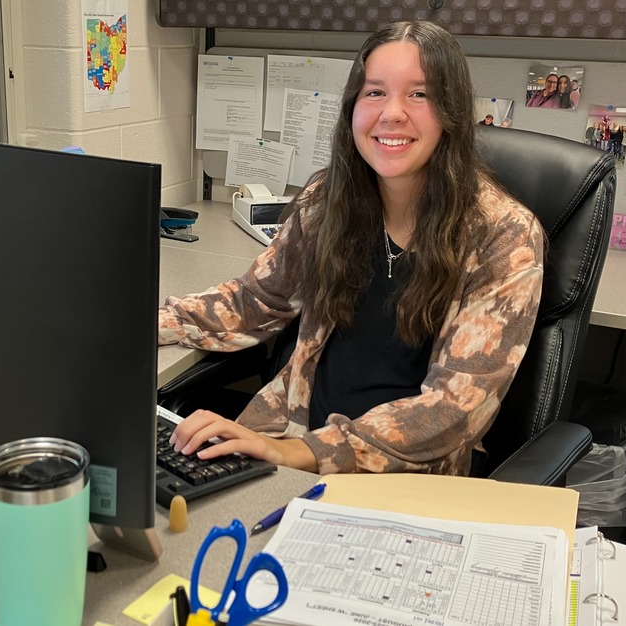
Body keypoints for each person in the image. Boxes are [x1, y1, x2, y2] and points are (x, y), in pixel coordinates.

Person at [159, 21, 545, 476]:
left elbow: (452, 411)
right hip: (289, 437)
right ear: (352, 108)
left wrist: (302, 454)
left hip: (403, 477)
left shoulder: (504, 235)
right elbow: (256, 300)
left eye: (419, 94)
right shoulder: (328, 202)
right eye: (375, 92)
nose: (392, 114)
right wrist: (140, 322)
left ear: (451, 113)